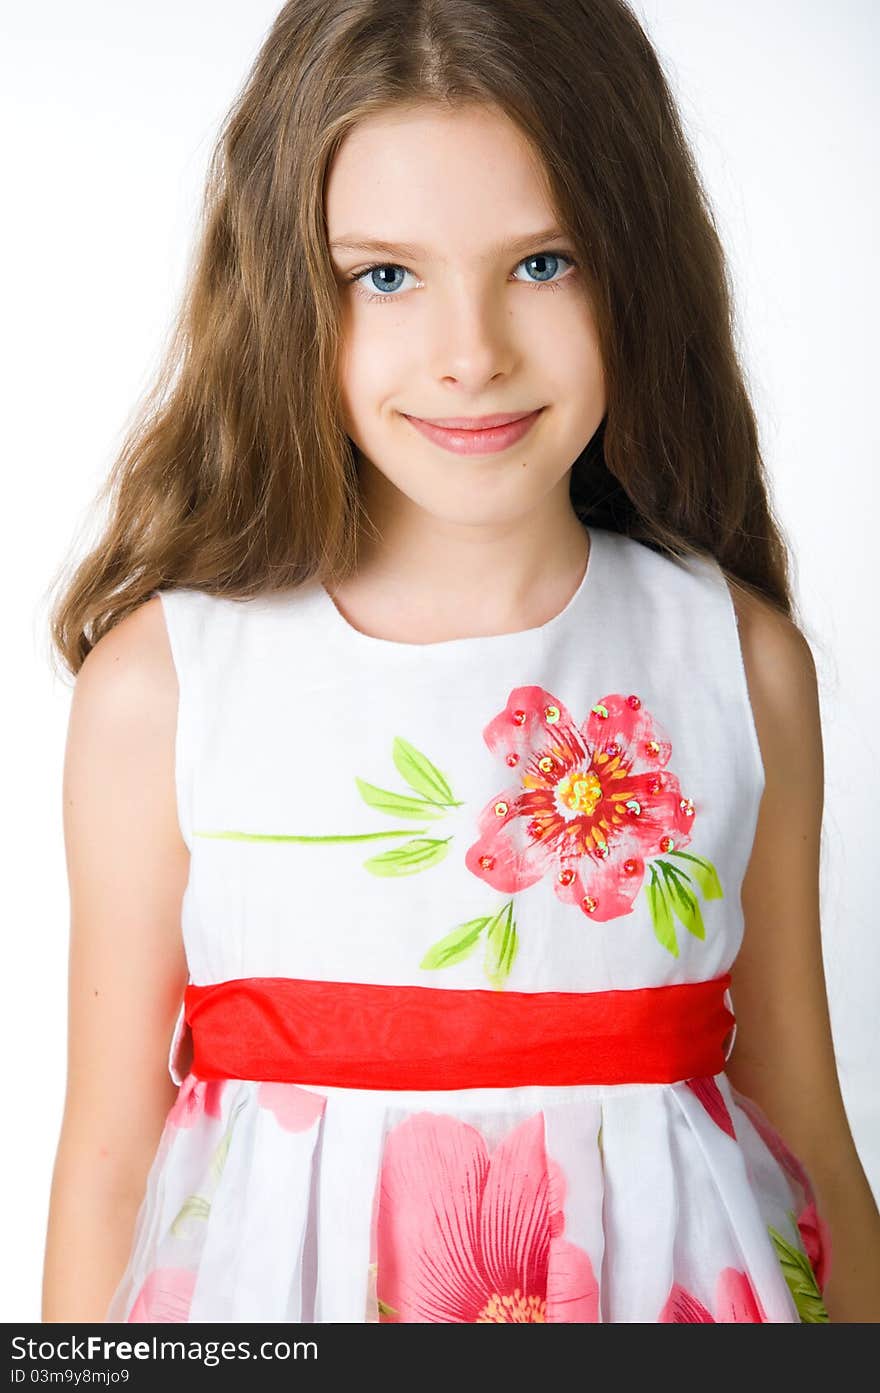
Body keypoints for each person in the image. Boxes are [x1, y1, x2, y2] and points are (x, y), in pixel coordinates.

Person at [41, 0, 880, 1324]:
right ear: (285, 291)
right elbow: (105, 1164)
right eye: (386, 275)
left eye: (542, 263)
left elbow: (808, 1137)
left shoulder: (740, 663)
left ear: (636, 263)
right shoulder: (166, 690)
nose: (471, 353)